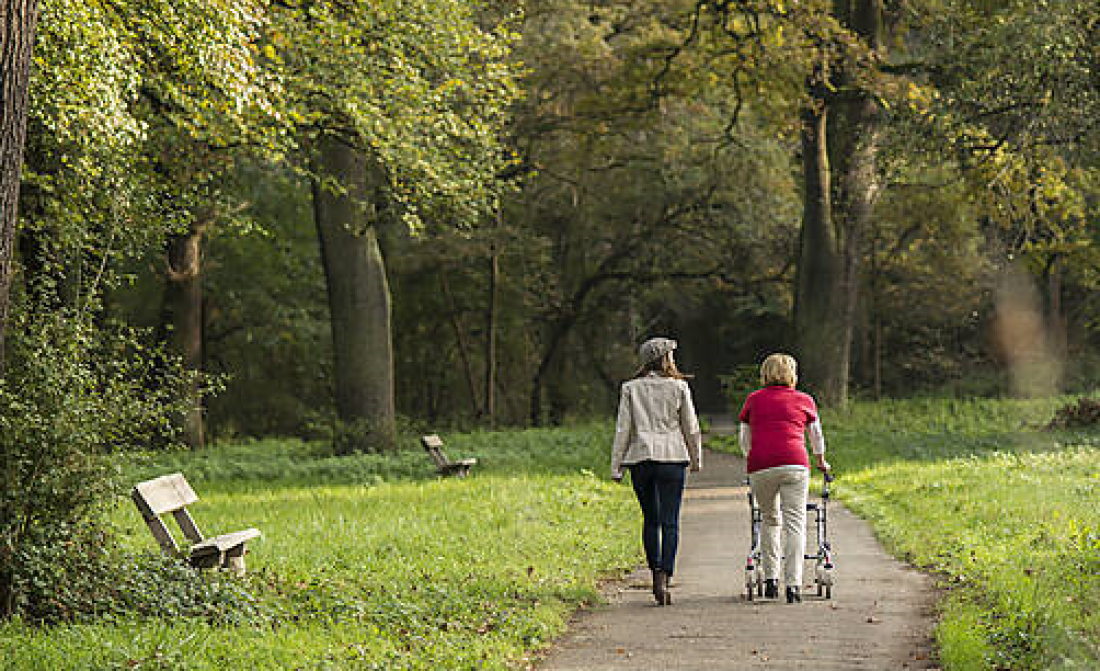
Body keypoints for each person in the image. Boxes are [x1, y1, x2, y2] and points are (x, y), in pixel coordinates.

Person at [611, 337, 703, 606]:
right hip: (673, 458)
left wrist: (616, 466)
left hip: (641, 458)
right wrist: (696, 458)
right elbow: (691, 426)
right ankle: (665, 575)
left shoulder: (630, 388)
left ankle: (654, 572)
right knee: (671, 520)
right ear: (666, 359)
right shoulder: (679, 387)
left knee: (651, 519)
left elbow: (623, 429)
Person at [738, 353, 830, 604]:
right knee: (795, 524)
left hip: (761, 465)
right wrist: (821, 462)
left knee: (769, 519)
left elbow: (744, 439)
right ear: (793, 374)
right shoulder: (804, 400)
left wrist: (753, 458)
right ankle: (794, 586)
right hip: (795, 464)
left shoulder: (753, 400)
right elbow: (816, 437)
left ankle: (770, 580)